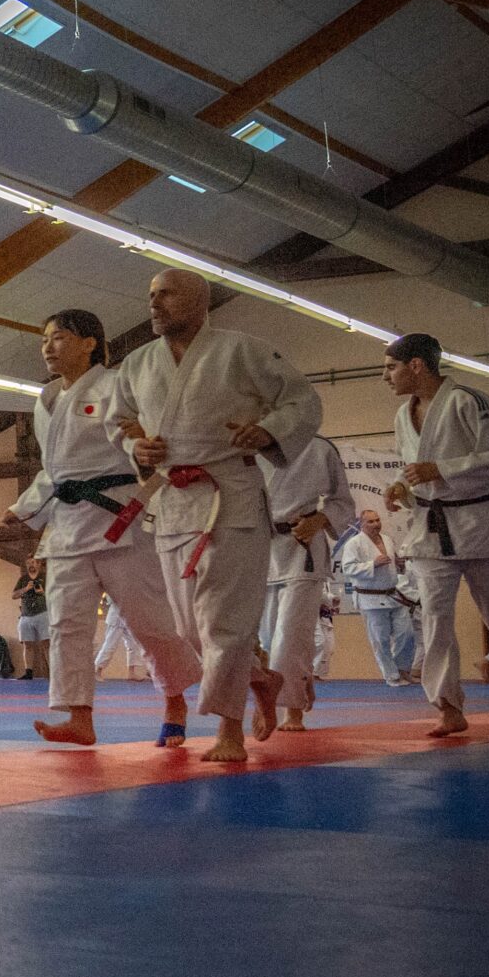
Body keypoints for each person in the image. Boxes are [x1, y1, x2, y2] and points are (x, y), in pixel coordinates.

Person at [108, 268, 320, 764]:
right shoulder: (138, 363)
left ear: (201, 301)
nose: (155, 304)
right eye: (151, 295)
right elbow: (119, 423)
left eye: (167, 294)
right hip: (174, 502)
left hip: (232, 497)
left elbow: (302, 402)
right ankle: (262, 680)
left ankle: (230, 731)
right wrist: (136, 445)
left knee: (225, 622)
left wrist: (267, 432)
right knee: (190, 630)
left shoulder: (241, 350)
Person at [5, 309, 198, 746]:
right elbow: (55, 469)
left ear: (89, 342)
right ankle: (80, 717)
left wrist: (145, 445)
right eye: (44, 341)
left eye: (58, 338)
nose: (48, 348)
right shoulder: (48, 398)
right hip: (68, 523)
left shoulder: (116, 386)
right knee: (67, 624)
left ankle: (174, 699)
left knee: (149, 621)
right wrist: (24, 506)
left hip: (118, 519)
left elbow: (141, 437)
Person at [381, 333, 489, 735]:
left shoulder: (468, 401)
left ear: (417, 366)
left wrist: (442, 469)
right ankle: (447, 706)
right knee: (435, 618)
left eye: (390, 367)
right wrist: (400, 486)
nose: (385, 376)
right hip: (430, 527)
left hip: (478, 522)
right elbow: (409, 466)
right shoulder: (400, 416)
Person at [258, 434, 356, 733]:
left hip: (303, 545)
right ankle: (302, 681)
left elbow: (343, 502)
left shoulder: (318, 447)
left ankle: (292, 711)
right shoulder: (241, 444)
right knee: (266, 638)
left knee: (292, 634)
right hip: (259, 545)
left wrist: (322, 519)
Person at [335, 510, 418, 686]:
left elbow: (392, 565)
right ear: (362, 524)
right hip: (370, 598)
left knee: (407, 633)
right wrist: (372, 564)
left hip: (393, 595)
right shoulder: (354, 544)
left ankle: (403, 669)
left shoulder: (387, 539)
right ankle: (392, 675)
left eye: (378, 520)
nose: (376, 524)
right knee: (381, 640)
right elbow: (348, 569)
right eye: (371, 521)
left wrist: (400, 565)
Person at [11, 558, 49, 681]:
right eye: (28, 563)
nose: (30, 565)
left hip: (42, 613)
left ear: (38, 564)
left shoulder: (46, 577)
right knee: (27, 644)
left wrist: (43, 592)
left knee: (46, 643)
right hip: (26, 615)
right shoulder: (23, 579)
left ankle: (52, 670)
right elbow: (13, 595)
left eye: (33, 562)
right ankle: (28, 672)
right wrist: (25, 589)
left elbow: (55, 595)